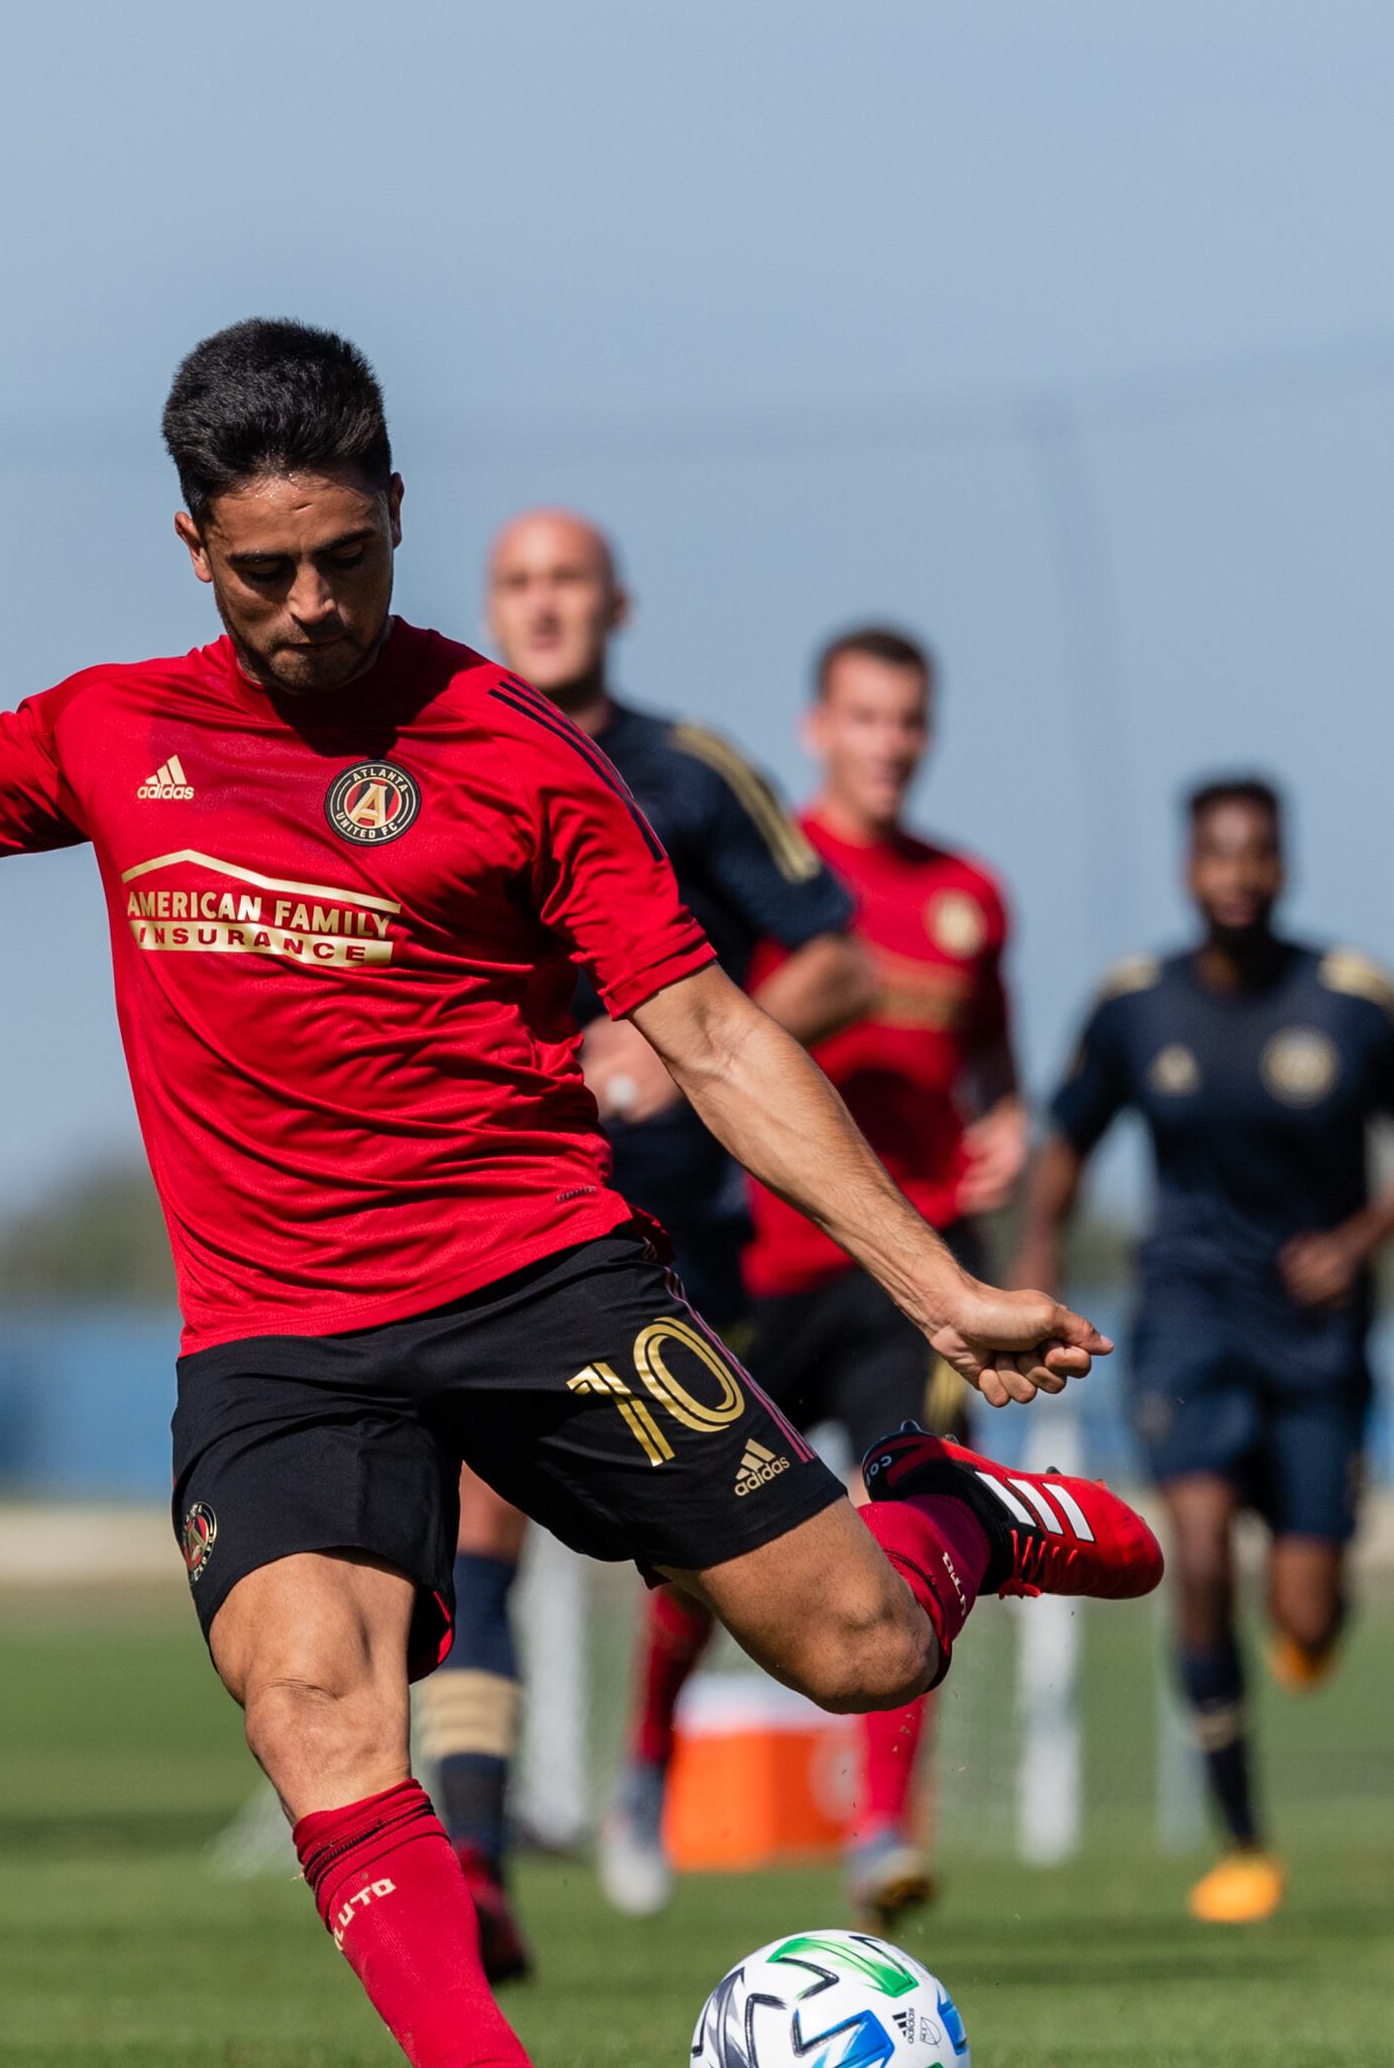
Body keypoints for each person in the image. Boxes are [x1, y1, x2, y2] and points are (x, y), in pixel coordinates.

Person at [0, 319, 1157, 2068]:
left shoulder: (509, 747)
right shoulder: (122, 730)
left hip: (542, 1276)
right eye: (266, 569)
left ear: (399, 515)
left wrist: (934, 1289)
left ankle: (961, 1515)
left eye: (346, 560)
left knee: (866, 1652)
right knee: (311, 1703)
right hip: (281, 1336)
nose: (309, 604)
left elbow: (718, 1035)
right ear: (192, 545)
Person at [421, 509, 875, 1976]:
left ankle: (645, 1765)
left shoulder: (688, 770)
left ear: (616, 601)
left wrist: (673, 1051)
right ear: (487, 604)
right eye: (518, 583)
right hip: (506, 1216)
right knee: (475, 1531)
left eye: (568, 580)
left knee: (720, 1560)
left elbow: (838, 951)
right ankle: (478, 1866)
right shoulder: (430, 760)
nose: (544, 604)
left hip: (684, 1236)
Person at [615, 622, 1025, 1933]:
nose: (888, 744)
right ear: (818, 729)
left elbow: (991, 1070)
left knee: (911, 1515)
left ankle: (885, 1825)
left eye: (909, 720)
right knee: (705, 1548)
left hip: (912, 1279)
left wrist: (1006, 1124)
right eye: (865, 718)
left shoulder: (972, 897)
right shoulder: (766, 871)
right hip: (769, 1267)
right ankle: (643, 1774)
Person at [1012, 774, 1394, 1926]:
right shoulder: (1134, 1008)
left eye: (1258, 854)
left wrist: (1359, 1240)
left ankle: (1311, 1604)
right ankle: (1244, 1841)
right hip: (1190, 1318)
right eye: (1218, 854)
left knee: (1305, 1612)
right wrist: (1033, 1272)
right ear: (1187, 868)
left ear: (1284, 865)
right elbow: (1063, 1147)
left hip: (1316, 1337)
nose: (1238, 875)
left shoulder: (1352, 1000)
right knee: (1198, 1553)